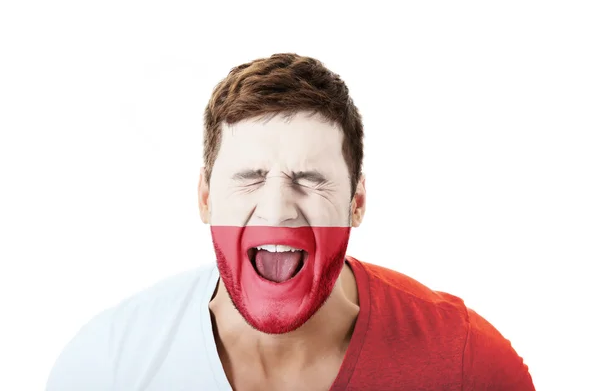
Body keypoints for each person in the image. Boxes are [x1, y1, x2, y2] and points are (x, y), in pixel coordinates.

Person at [46, 53, 535, 390]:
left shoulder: (467, 363)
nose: (277, 210)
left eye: (309, 178)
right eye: (250, 177)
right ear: (204, 198)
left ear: (357, 201)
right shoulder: (106, 366)